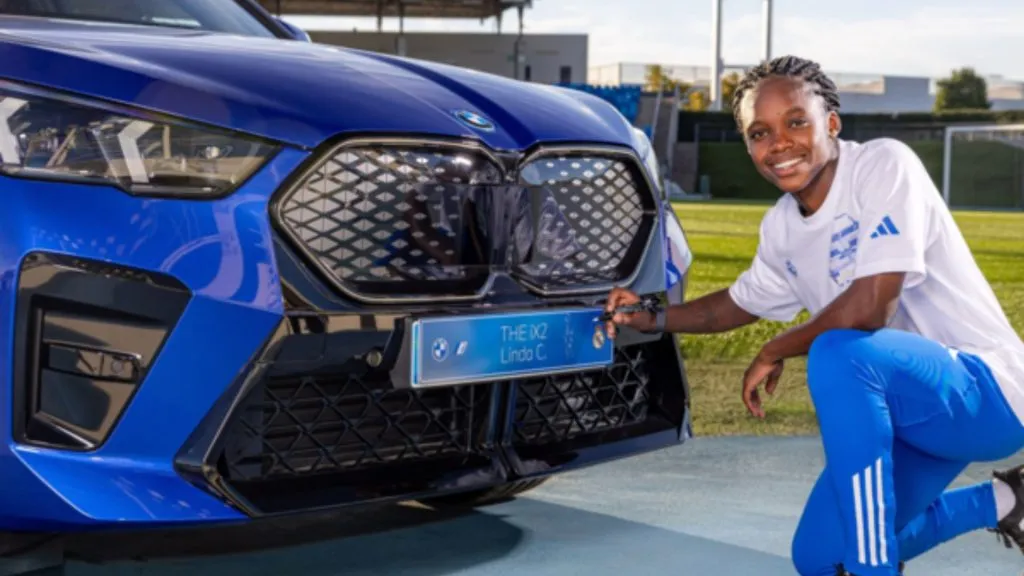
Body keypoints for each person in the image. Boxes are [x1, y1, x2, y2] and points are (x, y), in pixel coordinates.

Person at [603, 55, 1024, 576]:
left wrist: (776, 348)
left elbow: (872, 305)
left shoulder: (882, 165)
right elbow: (734, 303)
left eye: (795, 122)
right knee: (819, 558)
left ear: (831, 121)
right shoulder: (782, 227)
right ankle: (1008, 501)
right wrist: (653, 316)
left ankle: (875, 571)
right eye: (759, 132)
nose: (779, 142)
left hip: (988, 392)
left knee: (839, 354)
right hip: (911, 416)